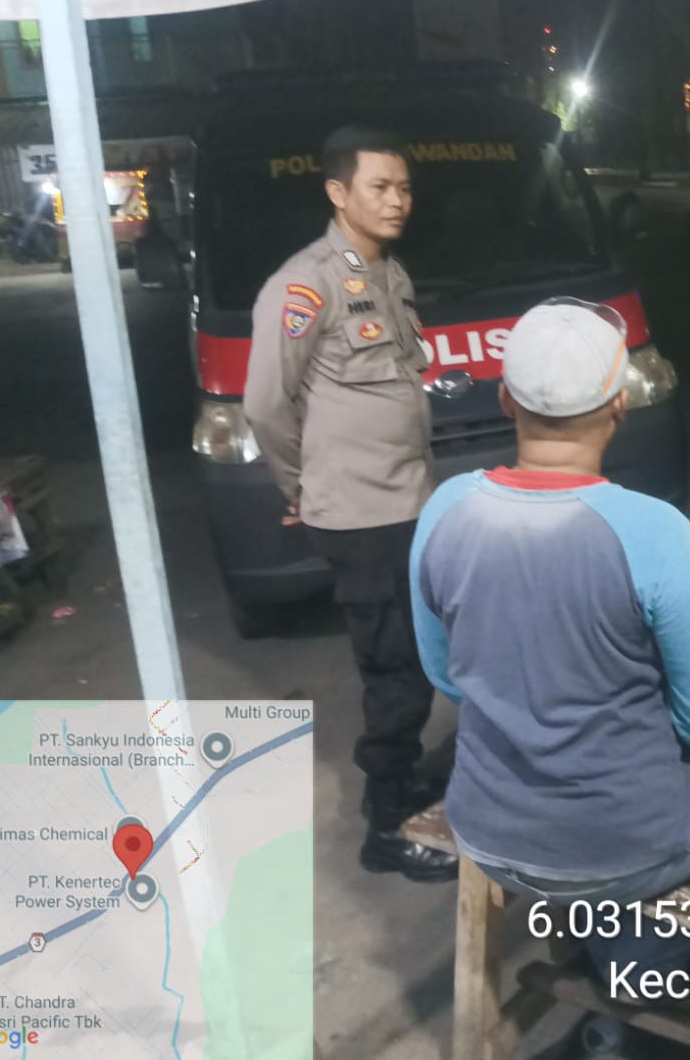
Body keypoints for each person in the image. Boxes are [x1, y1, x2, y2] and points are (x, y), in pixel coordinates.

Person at [410, 297, 690, 971]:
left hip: (486, 831)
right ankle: (642, 955)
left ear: (505, 401)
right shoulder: (652, 531)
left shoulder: (446, 508)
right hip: (624, 845)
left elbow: (445, 674)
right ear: (619, 406)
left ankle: (623, 934)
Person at [244, 125, 455, 882]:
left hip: (405, 499)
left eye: (404, 188)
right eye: (380, 187)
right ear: (338, 192)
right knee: (393, 663)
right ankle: (387, 826)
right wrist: (300, 487)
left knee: (418, 654)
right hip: (360, 513)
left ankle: (402, 783)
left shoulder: (388, 272)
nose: (398, 201)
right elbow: (266, 405)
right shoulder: (305, 285)